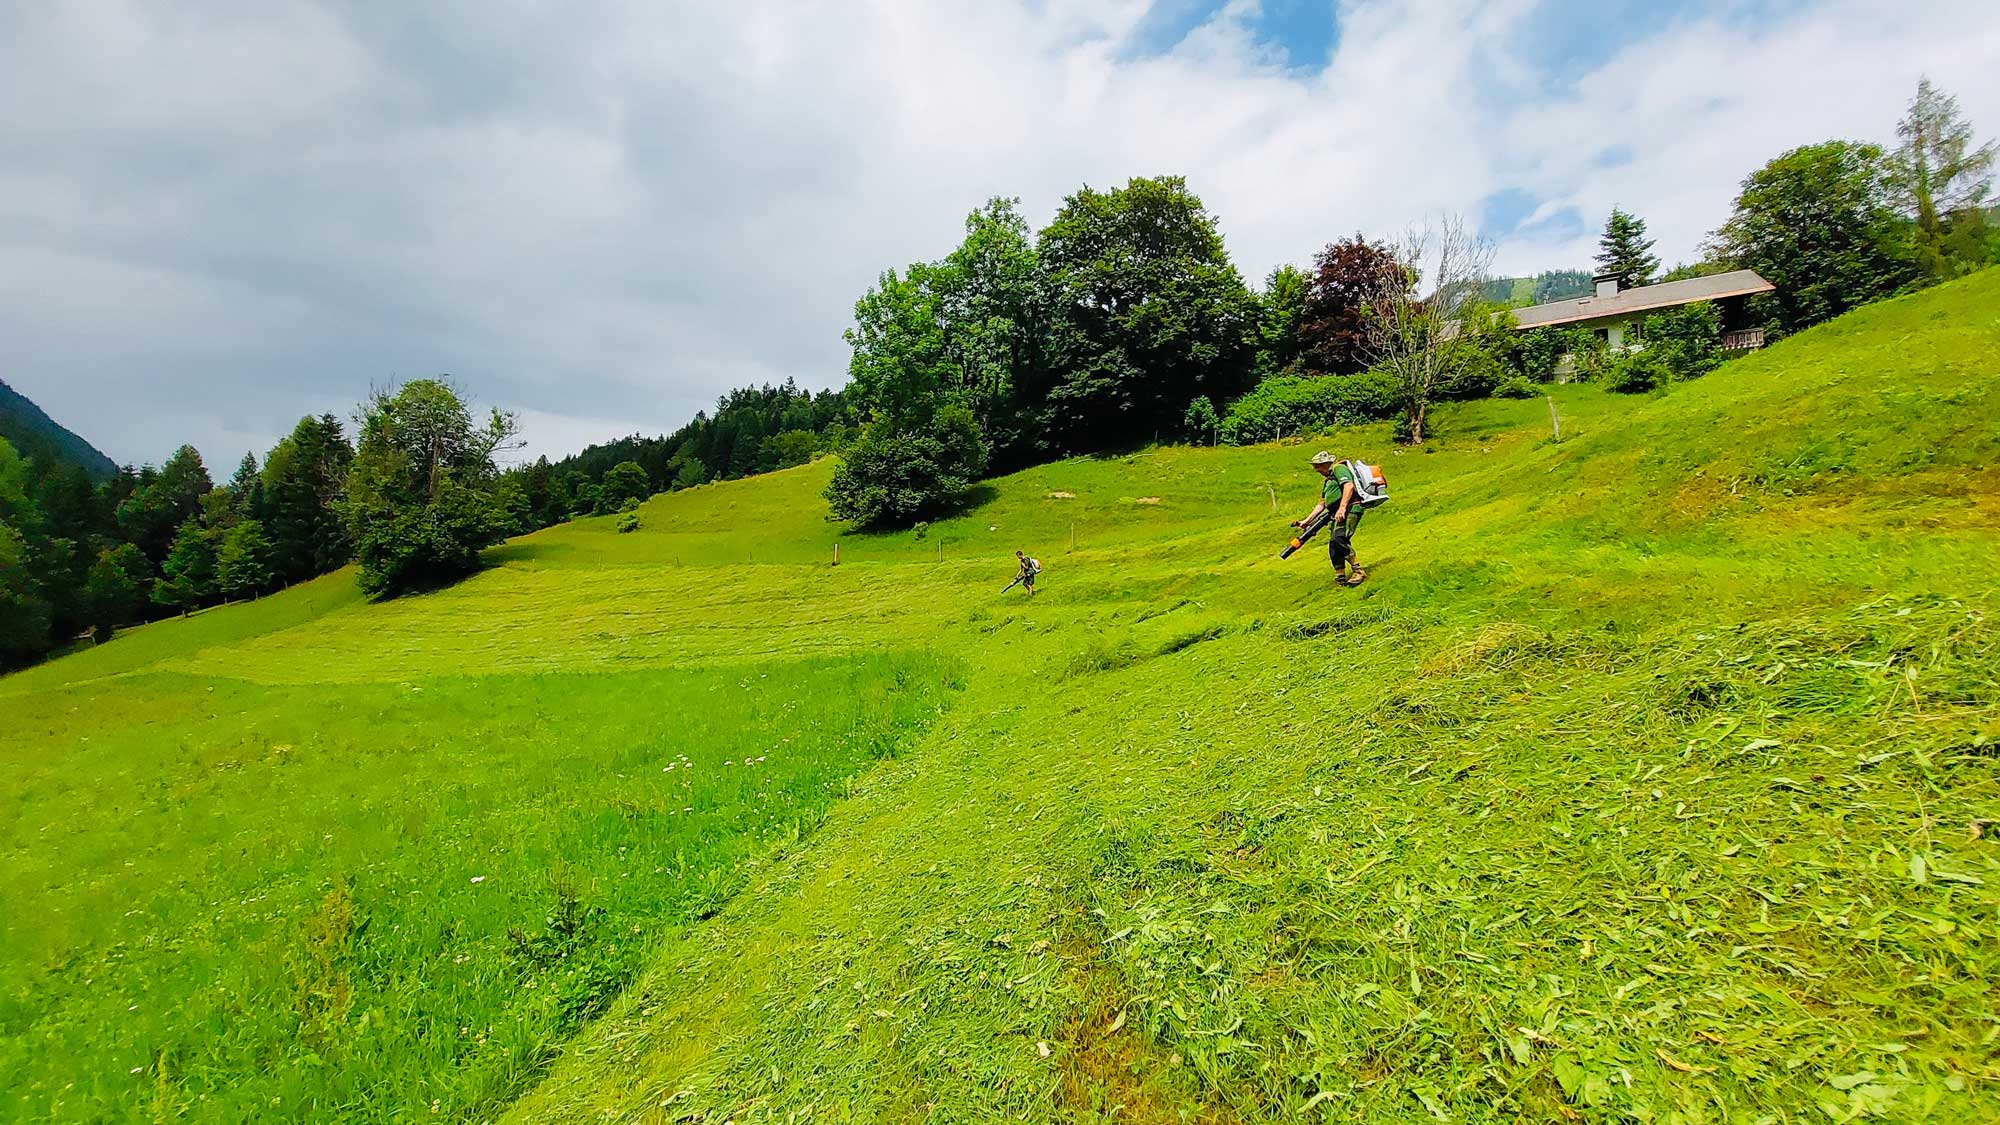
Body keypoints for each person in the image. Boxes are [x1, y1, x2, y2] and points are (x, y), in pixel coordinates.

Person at [1293, 450, 1368, 587]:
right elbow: (1322, 503)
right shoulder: (1329, 480)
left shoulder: (1339, 469)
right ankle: (1340, 576)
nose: (1316, 470)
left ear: (1326, 463)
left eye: (1318, 466)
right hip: (1335, 513)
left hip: (1350, 509)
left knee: (1339, 538)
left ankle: (1358, 571)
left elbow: (1348, 486)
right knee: (1333, 544)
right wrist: (1307, 521)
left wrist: (1342, 507)